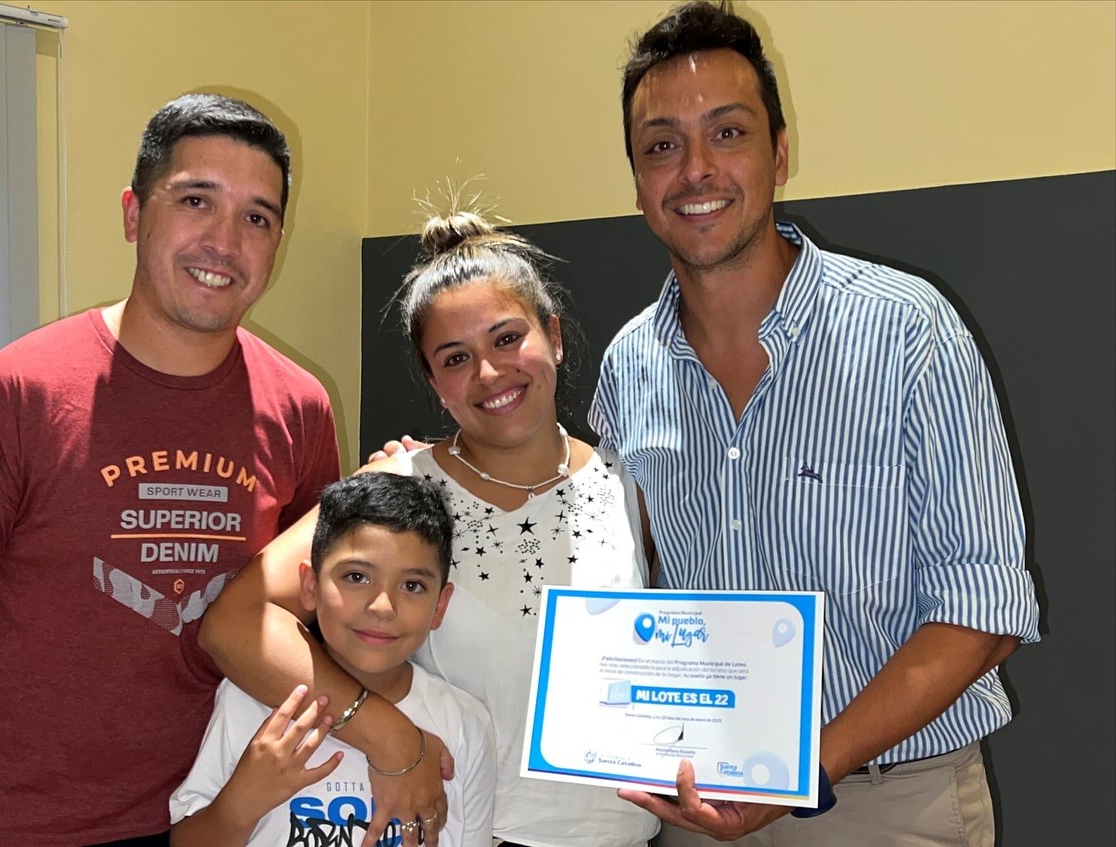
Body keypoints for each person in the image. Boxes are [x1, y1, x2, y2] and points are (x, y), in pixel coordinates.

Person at [590, 3, 1041, 845]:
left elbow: (984, 609)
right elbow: (621, 587)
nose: (695, 169)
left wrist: (802, 768)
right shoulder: (627, 367)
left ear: (779, 154)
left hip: (890, 803)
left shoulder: (908, 330)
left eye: (728, 133)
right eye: (661, 145)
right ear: (638, 182)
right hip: (696, 803)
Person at [0, 93, 342, 847]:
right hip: (37, 829)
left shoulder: (300, 406)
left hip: (228, 812)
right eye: (195, 201)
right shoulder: (18, 393)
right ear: (133, 214)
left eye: (256, 217)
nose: (225, 241)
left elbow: (313, 606)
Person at [201, 209, 660, 847]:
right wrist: (385, 734)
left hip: (623, 833)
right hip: (461, 829)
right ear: (433, 381)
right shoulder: (402, 487)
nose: (490, 373)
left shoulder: (633, 482)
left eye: (507, 338)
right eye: (456, 357)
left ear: (553, 335)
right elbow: (234, 624)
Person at [170, 472, 497, 847]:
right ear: (310, 586)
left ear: (439, 605)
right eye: (356, 577)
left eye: (412, 585)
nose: (382, 606)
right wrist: (239, 806)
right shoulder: (248, 699)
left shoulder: (465, 725)